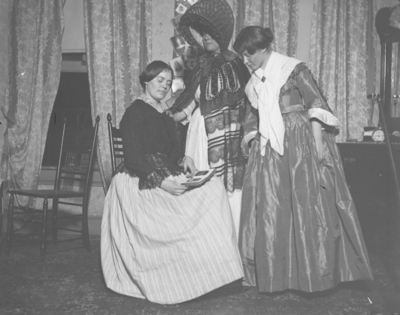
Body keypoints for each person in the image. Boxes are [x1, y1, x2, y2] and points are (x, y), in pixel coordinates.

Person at [233, 26, 373, 293]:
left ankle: (312, 274)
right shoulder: (252, 82)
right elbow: (251, 117)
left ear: (263, 49)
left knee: (305, 203)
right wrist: (253, 139)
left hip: (300, 141)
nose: (245, 60)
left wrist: (318, 146)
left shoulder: (293, 69)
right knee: (274, 207)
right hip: (270, 148)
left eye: (248, 54)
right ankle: (279, 275)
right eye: (242, 55)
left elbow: (315, 104)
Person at [101, 60, 243, 304]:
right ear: (146, 81)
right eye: (159, 80)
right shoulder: (134, 112)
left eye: (168, 83)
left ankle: (217, 273)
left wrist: (184, 157)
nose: (164, 86)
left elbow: (171, 154)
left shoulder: (166, 117)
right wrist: (161, 182)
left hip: (164, 170)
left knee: (213, 189)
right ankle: (179, 278)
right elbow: (134, 158)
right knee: (177, 204)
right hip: (139, 177)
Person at [167, 0, 251, 238]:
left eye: (210, 33)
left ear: (221, 34)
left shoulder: (237, 63)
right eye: (202, 34)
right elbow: (191, 100)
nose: (205, 38)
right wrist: (170, 117)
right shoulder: (200, 64)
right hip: (201, 131)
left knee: (229, 186)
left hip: (230, 132)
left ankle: (228, 239)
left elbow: (247, 101)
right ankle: (203, 240)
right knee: (201, 180)